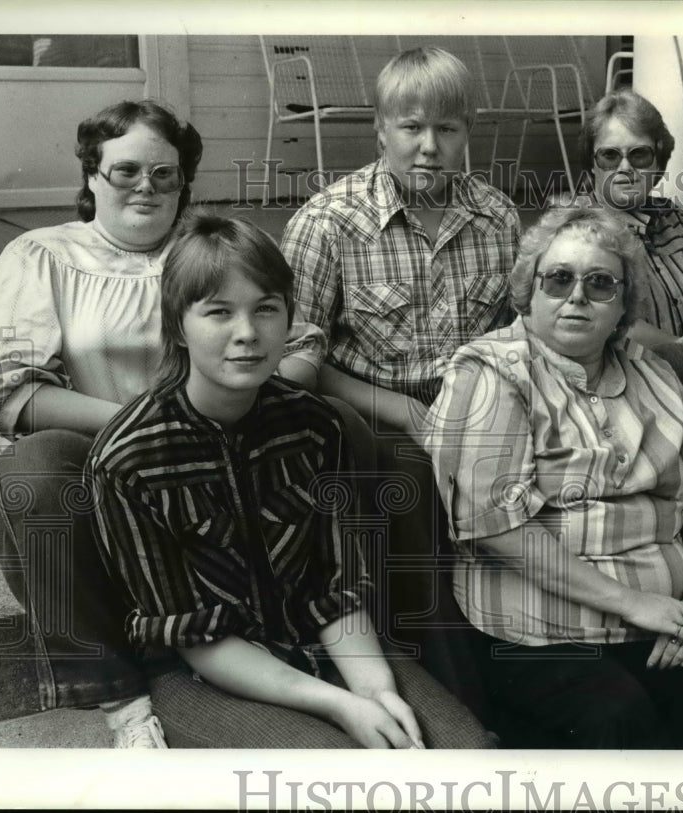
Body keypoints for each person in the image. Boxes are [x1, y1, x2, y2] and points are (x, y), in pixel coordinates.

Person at [0, 99, 323, 747]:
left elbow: (300, 347)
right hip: (83, 480)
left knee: (338, 428)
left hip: (205, 471)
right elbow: (8, 394)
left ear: (184, 181)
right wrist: (152, 429)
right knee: (33, 466)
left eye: (164, 174)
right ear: (92, 177)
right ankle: (122, 701)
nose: (146, 187)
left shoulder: (212, 251)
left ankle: (325, 638)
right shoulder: (41, 256)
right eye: (126, 171)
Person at [87, 212, 491, 749]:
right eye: (219, 313)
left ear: (289, 319)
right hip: (201, 673)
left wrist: (375, 691)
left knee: (467, 754)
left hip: (325, 645)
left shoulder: (315, 425)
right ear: (177, 326)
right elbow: (193, 637)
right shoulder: (127, 457)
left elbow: (336, 587)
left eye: (266, 310)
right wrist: (340, 705)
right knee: (338, 776)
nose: (247, 334)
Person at [424, 206, 683, 748]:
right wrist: (636, 604)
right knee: (616, 716)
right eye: (559, 279)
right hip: (539, 633)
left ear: (623, 305)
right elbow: (495, 528)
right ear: (530, 290)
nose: (577, 296)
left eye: (600, 283)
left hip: (661, 621)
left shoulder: (653, 373)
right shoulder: (493, 373)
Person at [280, 46, 520, 715]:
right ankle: (458, 692)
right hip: (366, 409)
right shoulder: (329, 222)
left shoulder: (496, 216)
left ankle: (538, 648)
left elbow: (510, 331)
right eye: (411, 127)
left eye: (447, 129)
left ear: (467, 131)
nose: (429, 147)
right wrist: (394, 405)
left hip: (475, 398)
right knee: (412, 480)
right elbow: (294, 359)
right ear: (381, 129)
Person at [575, 88, 683, 353]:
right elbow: (612, 324)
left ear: (658, 162)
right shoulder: (575, 234)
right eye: (610, 156)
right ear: (591, 163)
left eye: (639, 155)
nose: (625, 169)